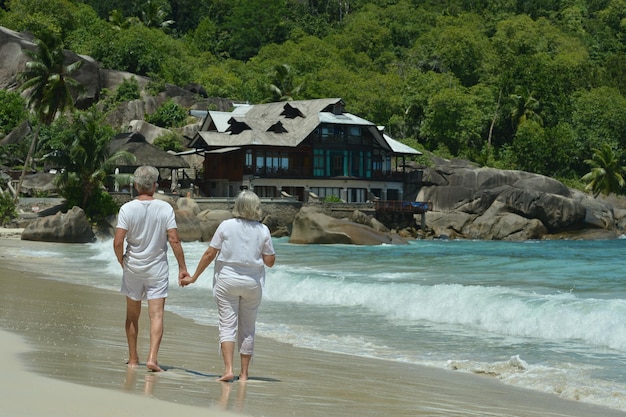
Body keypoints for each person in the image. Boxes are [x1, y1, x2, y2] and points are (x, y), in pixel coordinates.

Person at [180, 190, 275, 382]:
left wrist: (194, 277)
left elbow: (210, 253)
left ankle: (229, 370)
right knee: (248, 327)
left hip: (227, 281)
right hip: (252, 283)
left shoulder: (226, 226)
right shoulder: (263, 230)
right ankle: (245, 374)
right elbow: (269, 262)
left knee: (227, 325)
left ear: (238, 206)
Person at [113, 165, 189, 372]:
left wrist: (122, 261)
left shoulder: (127, 209)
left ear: (136, 185)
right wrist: (182, 268)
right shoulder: (164, 208)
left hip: (133, 267)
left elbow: (118, 242)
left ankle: (133, 357)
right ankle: (152, 358)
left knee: (132, 314)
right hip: (157, 268)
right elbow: (174, 239)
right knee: (156, 315)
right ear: (155, 186)